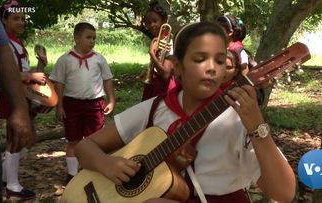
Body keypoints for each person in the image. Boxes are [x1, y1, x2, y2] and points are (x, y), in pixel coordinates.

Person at [74, 21, 295, 203]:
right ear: (177, 66)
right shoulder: (155, 108)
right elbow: (84, 147)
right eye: (200, 59)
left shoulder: (236, 118)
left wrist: (257, 127)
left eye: (220, 60)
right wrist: (106, 164)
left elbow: (283, 193)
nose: (212, 68)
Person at [49, 22, 115, 184]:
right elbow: (59, 84)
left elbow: (107, 79)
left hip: (95, 105)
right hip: (72, 105)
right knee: (73, 140)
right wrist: (60, 106)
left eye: (94, 38)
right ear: (77, 38)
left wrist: (111, 100)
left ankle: (93, 171)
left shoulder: (99, 59)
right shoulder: (65, 59)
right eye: (88, 37)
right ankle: (72, 175)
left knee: (95, 139)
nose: (92, 41)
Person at [0, 1, 47, 200]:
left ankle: (3, 176)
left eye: (23, 19)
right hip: (11, 96)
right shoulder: (4, 44)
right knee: (16, 139)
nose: (21, 22)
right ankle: (12, 186)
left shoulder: (17, 42)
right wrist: (29, 77)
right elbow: (4, 73)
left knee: (29, 138)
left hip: (22, 96)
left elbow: (27, 74)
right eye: (15, 18)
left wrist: (40, 66)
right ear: (3, 20)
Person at [141, 0, 175, 101]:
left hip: (164, 89)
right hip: (155, 86)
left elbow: (165, 74)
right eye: (148, 23)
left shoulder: (168, 41)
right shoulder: (157, 40)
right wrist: (147, 72)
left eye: (155, 21)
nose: (151, 25)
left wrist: (152, 54)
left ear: (164, 21)